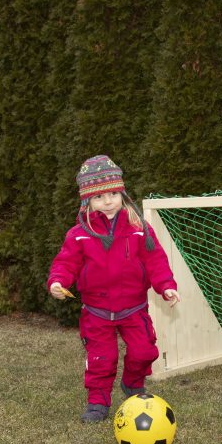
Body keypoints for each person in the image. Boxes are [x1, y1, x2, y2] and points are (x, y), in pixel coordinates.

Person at [48, 155, 180, 423]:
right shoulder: (79, 234)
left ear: (122, 193)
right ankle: (98, 402)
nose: (107, 201)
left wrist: (166, 286)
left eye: (112, 194)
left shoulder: (139, 229)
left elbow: (156, 262)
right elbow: (65, 262)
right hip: (96, 311)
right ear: (87, 202)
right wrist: (57, 281)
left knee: (145, 351)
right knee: (101, 359)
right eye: (99, 197)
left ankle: (132, 384)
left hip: (134, 308)